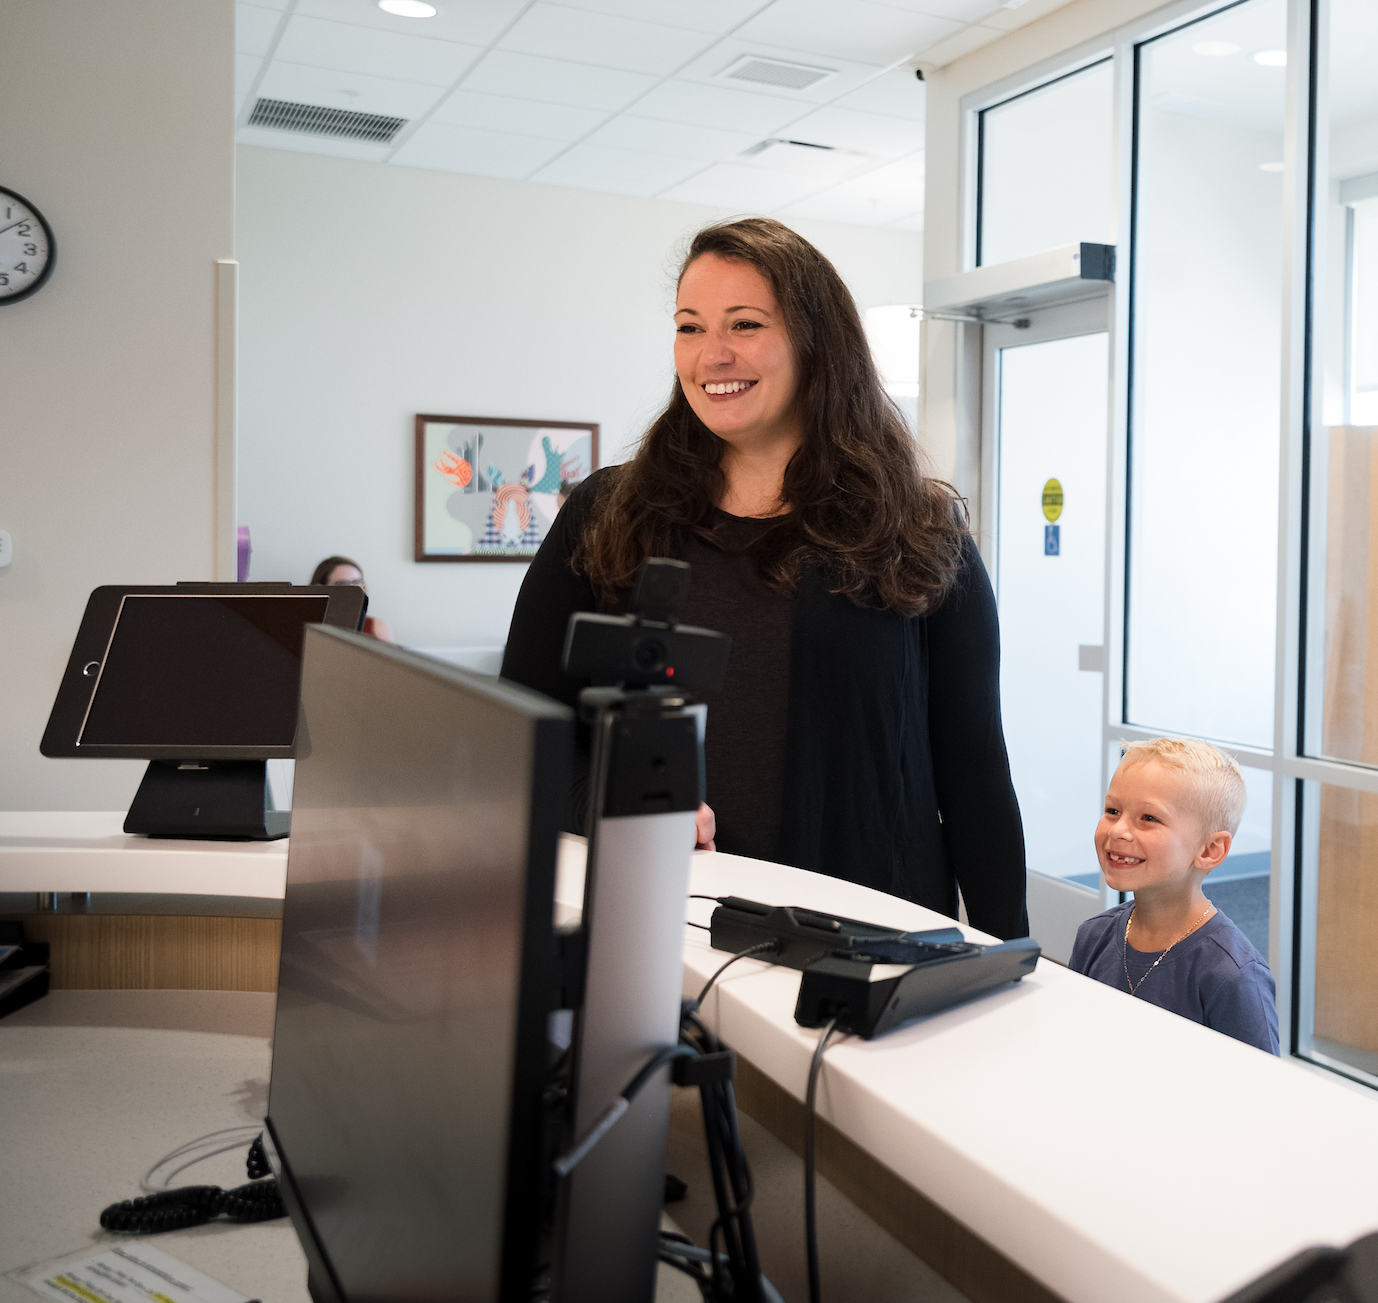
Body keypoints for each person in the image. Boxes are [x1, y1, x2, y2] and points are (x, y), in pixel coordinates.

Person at [500, 218, 1027, 938]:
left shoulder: (915, 527)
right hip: (659, 927)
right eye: (690, 328)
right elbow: (524, 724)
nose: (712, 354)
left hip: (860, 934)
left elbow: (974, 771)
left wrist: (1009, 952)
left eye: (744, 324)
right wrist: (617, 796)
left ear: (817, 340)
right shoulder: (609, 512)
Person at [1068, 738, 1278, 1054]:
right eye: (1113, 810)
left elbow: (1263, 1093)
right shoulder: (1093, 936)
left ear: (1209, 850)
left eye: (1149, 818)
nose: (1118, 830)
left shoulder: (1232, 974)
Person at [310, 556, 397, 643]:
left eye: (356, 583)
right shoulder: (309, 626)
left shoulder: (377, 627)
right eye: (341, 584)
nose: (352, 590)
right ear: (320, 589)